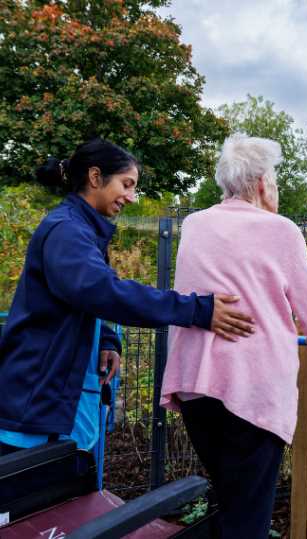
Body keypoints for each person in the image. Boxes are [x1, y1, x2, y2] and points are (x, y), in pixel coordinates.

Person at [0, 138, 255, 456]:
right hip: (34, 403)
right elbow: (104, 292)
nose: (132, 198)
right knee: (35, 501)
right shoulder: (66, 231)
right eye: (127, 184)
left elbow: (78, 299)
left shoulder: (82, 229)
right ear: (95, 177)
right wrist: (197, 310)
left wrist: (106, 339)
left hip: (50, 399)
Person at [160, 134, 307, 538]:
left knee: (232, 500)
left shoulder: (194, 224)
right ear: (261, 183)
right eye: (273, 178)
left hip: (196, 388)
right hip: (250, 390)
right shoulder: (281, 230)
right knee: (249, 518)